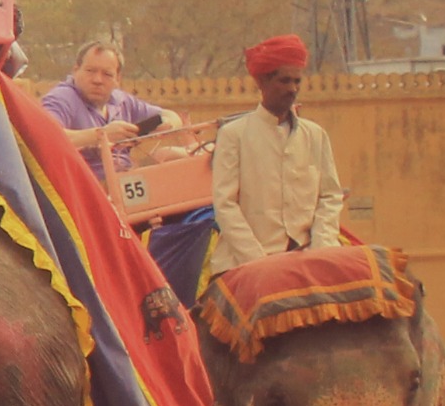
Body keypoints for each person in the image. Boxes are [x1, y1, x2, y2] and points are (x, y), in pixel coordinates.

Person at [209, 34, 345, 265]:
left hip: (309, 254)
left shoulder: (315, 135)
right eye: (284, 81)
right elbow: (225, 204)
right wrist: (257, 260)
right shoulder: (234, 135)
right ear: (263, 82)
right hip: (248, 260)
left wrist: (320, 248)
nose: (292, 89)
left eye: (297, 81)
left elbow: (330, 196)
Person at [38, 40, 176, 173]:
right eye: (90, 71)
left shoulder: (121, 100)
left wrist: (165, 125)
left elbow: (172, 116)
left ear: (118, 79)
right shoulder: (61, 99)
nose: (97, 80)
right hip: (86, 185)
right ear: (76, 70)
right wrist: (102, 135)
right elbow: (46, 137)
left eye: (107, 74)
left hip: (125, 180)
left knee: (174, 156)